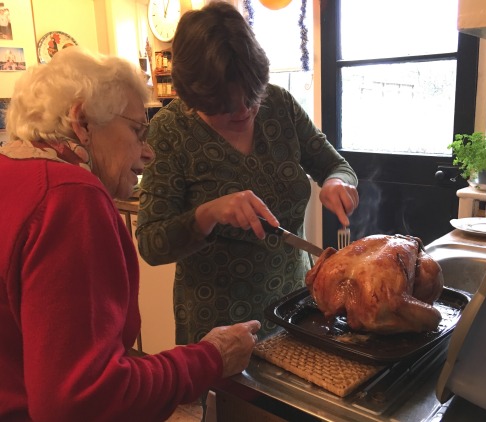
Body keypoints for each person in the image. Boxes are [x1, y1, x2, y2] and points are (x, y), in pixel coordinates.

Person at [0, 46, 260, 422]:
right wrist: (210, 358)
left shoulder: (12, 170)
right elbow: (83, 400)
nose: (147, 152)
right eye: (138, 131)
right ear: (82, 122)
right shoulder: (70, 196)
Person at [136, 1, 359, 345]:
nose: (244, 110)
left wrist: (336, 182)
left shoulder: (279, 105)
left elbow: (334, 165)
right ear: (193, 96)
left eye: (252, 96)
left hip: (295, 309)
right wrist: (208, 214)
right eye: (225, 106)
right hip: (219, 329)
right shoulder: (170, 131)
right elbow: (151, 244)